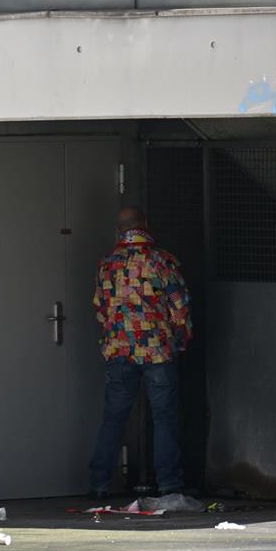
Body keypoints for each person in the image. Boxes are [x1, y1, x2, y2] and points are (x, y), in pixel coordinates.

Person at [87, 206, 193, 499]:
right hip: (157, 350)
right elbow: (179, 307)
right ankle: (170, 485)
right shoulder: (161, 262)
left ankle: (99, 483)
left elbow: (100, 307)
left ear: (120, 230)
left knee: (113, 419)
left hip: (119, 350)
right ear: (145, 225)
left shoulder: (107, 265)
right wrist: (179, 340)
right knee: (164, 419)